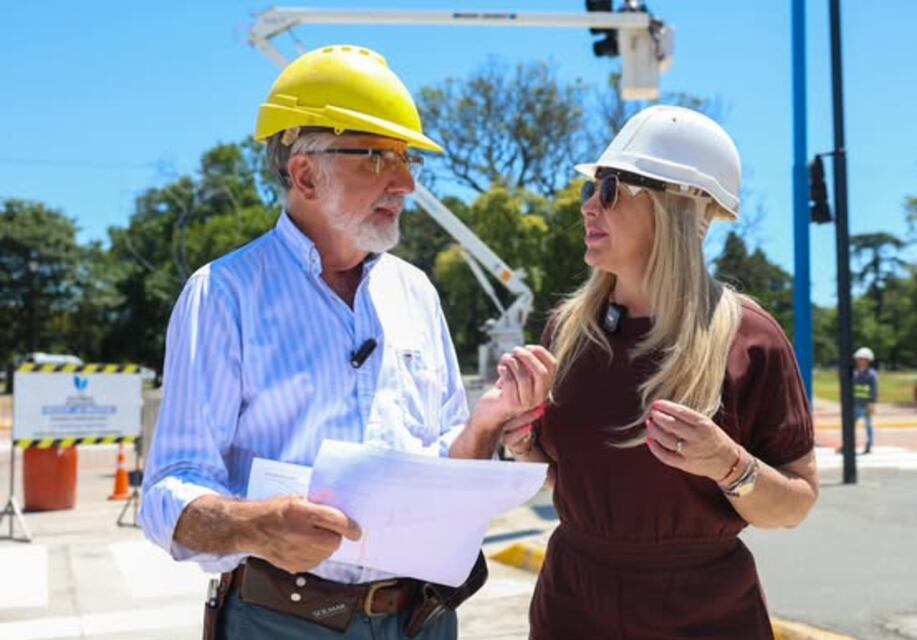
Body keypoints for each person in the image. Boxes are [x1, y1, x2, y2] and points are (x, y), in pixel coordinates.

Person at [138, 45, 554, 640]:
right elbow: (168, 494)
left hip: (421, 618)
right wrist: (255, 526)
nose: (406, 183)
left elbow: (442, 475)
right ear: (305, 172)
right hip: (282, 622)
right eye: (380, 158)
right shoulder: (224, 294)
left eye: (407, 159)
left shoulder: (416, 294)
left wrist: (486, 425)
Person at [505, 106, 819, 639]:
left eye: (609, 189)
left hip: (704, 614)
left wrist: (729, 464)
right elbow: (568, 476)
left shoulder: (750, 337)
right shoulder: (566, 331)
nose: (587, 206)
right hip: (573, 606)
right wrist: (522, 444)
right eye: (590, 188)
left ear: (675, 206)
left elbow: (794, 506)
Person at [853, 347, 879, 454]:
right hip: (855, 404)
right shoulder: (855, 373)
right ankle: (850, 444)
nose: (860, 361)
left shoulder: (872, 375)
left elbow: (874, 390)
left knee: (868, 425)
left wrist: (872, 404)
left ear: (868, 361)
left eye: (862, 359)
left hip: (866, 405)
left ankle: (869, 444)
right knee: (850, 426)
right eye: (858, 359)